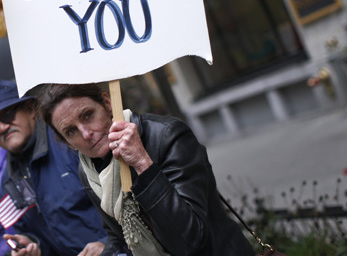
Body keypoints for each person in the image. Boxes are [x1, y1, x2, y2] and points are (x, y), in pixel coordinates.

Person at [38, 83, 254, 256]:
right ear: (67, 143)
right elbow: (118, 234)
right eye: (71, 131)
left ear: (106, 102)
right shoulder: (88, 170)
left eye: (87, 115)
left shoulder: (166, 136)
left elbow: (189, 240)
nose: (86, 134)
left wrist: (143, 163)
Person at [0, 80, 107, 256]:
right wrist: (32, 246)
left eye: (7, 115)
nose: (3, 127)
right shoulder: (7, 181)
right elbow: (20, 233)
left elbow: (126, 199)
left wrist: (107, 244)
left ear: (30, 109)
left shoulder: (71, 142)